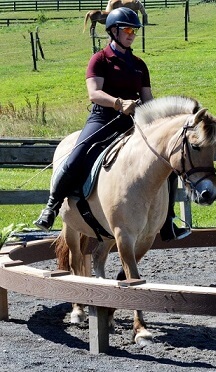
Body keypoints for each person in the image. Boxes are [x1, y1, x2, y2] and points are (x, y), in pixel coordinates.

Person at [34, 7, 190, 241]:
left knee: (166, 163)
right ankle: (51, 207)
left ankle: (167, 220)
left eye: (134, 30)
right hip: (103, 119)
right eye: (127, 29)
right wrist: (118, 103)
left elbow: (147, 99)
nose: (132, 34)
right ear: (113, 31)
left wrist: (159, 120)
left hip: (133, 122)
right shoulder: (100, 59)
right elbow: (94, 93)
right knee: (77, 156)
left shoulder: (139, 64)